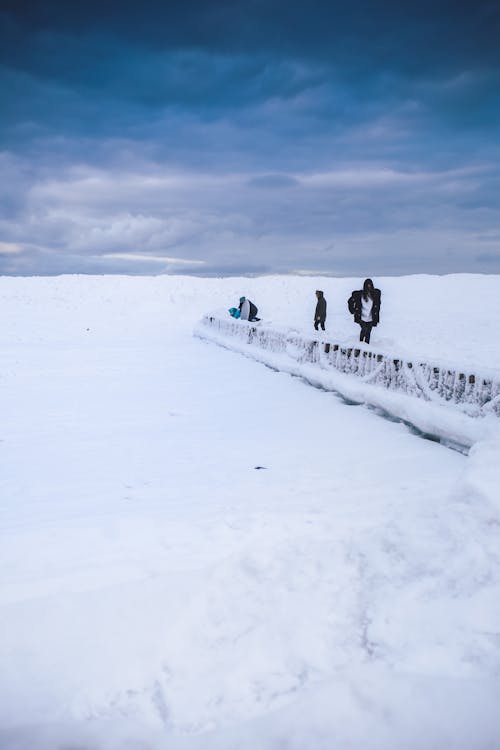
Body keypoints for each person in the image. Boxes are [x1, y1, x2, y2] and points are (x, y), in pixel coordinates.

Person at [348, 278, 381, 344]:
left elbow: (377, 306)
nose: (369, 287)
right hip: (361, 317)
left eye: (370, 285)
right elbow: (350, 301)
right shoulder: (360, 295)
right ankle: (360, 344)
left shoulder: (375, 295)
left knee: (368, 333)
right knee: (364, 330)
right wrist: (353, 310)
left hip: (371, 317)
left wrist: (376, 315)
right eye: (367, 286)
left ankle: (366, 347)